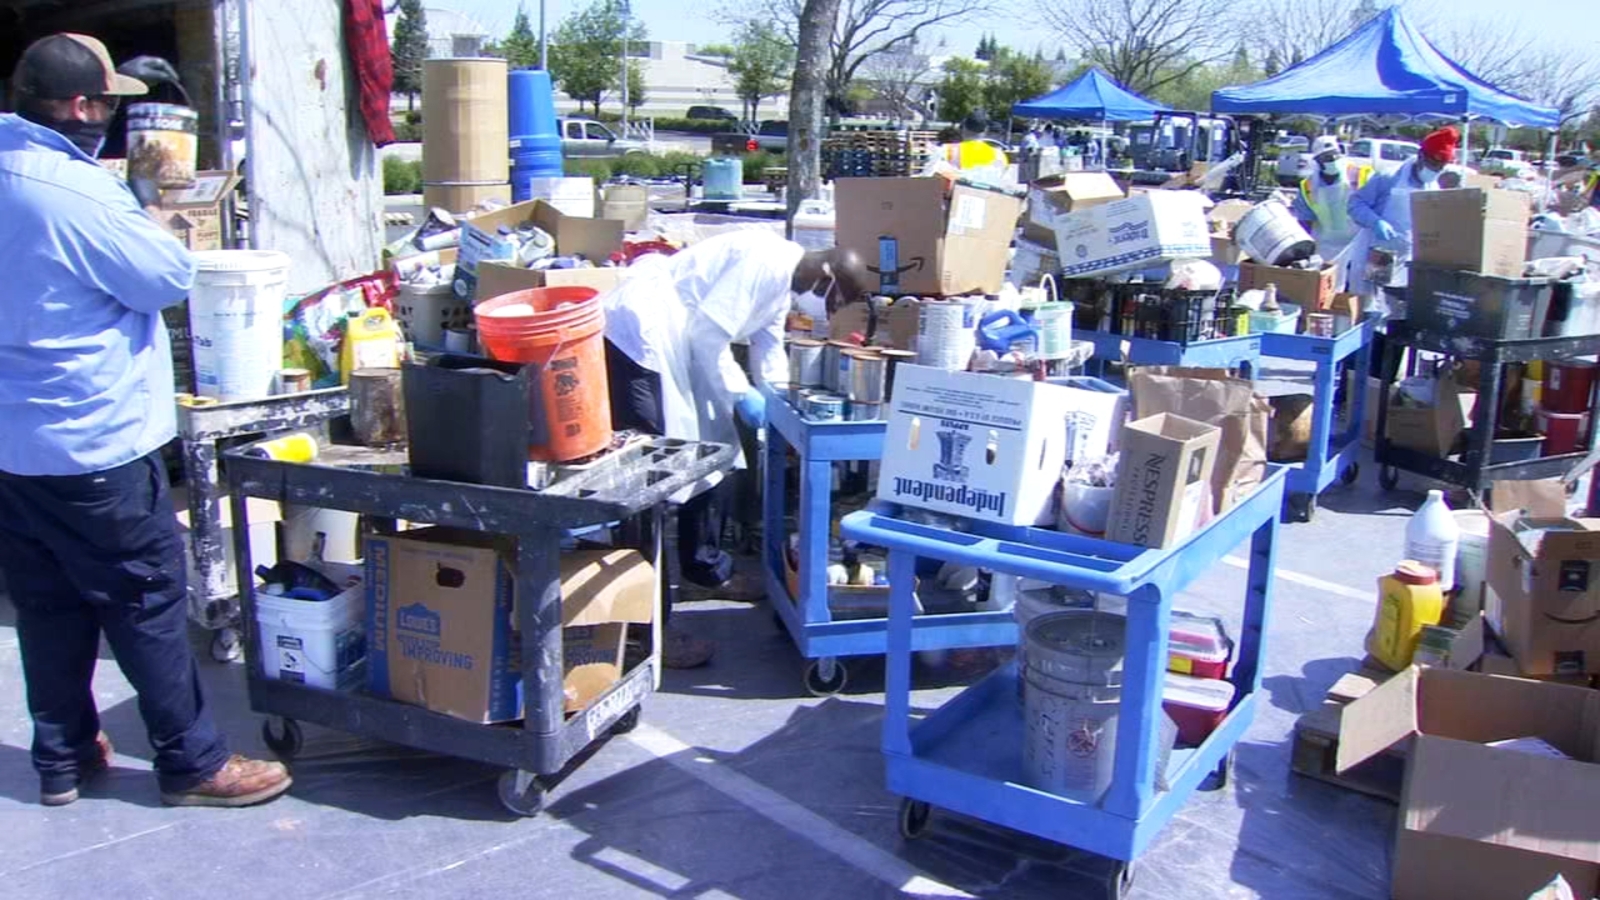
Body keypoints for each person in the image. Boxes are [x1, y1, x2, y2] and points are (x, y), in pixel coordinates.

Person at [0, 33, 293, 808]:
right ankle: (193, 762)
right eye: (105, 104)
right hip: (90, 437)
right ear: (83, 106)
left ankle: (61, 756)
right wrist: (143, 208)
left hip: (13, 442)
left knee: (49, 603)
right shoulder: (71, 189)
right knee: (146, 602)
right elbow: (164, 276)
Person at [601, 231, 872, 668]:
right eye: (835, 302)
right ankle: (647, 629)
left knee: (715, 453)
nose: (830, 312)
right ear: (823, 279)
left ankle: (704, 571)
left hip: (682, 345)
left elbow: (767, 347)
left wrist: (780, 402)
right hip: (642, 339)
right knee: (650, 477)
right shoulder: (766, 262)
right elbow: (709, 337)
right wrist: (741, 394)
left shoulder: (784, 282)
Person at [1348, 125, 1455, 379]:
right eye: (1432, 163)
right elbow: (1355, 203)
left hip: (1406, 265)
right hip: (1376, 257)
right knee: (1367, 320)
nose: (1434, 170)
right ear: (1420, 156)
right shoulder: (1389, 176)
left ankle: (1381, 383)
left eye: (1440, 167)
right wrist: (1376, 222)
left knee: (1395, 326)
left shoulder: (1434, 189)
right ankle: (1351, 387)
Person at [1290, 135, 1371, 288]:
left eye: (1334, 155)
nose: (1331, 160)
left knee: (1358, 287)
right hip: (1325, 246)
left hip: (1358, 241)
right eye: (1325, 157)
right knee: (1327, 288)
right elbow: (1304, 219)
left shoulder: (1360, 175)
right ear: (1317, 160)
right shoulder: (1308, 186)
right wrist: (1305, 248)